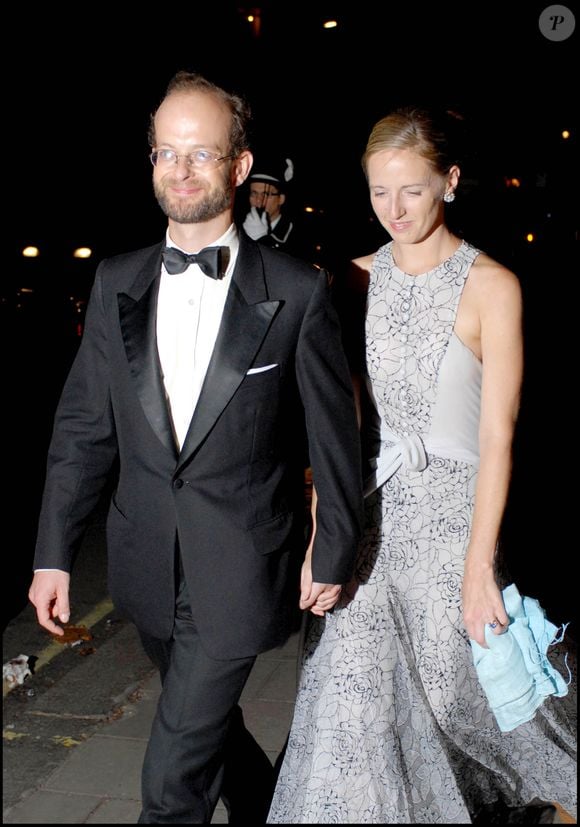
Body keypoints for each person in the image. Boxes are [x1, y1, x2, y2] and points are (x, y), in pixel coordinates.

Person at [28, 70, 364, 824]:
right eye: (165, 153)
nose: (180, 171)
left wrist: (333, 544)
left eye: (201, 154)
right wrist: (54, 552)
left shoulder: (297, 290)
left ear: (239, 168)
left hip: (241, 565)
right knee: (210, 731)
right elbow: (83, 429)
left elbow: (334, 436)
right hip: (146, 566)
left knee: (171, 781)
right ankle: (272, 808)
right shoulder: (115, 280)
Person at [268, 106, 577, 823]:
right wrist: (324, 533)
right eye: (379, 191)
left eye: (412, 189)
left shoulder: (493, 286)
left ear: (451, 180)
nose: (395, 209)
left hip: (451, 528)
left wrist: (480, 565)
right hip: (369, 526)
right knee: (352, 714)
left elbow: (499, 436)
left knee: (465, 699)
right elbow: (332, 430)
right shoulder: (345, 281)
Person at [242, 156, 310, 259]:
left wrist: (263, 240)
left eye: (266, 194)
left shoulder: (299, 234)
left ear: (281, 199)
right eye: (254, 193)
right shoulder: (239, 226)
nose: (259, 200)